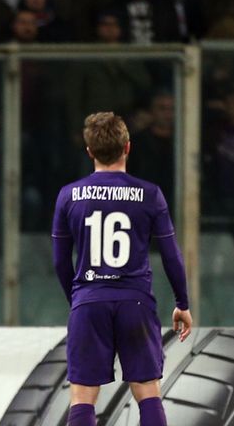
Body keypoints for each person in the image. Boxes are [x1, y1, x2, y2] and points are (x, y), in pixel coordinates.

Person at [51, 112, 193, 426]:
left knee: (83, 398)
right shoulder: (150, 194)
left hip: (89, 300)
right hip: (136, 302)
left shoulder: (68, 195)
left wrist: (77, 299)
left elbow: (61, 261)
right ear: (128, 147)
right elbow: (171, 256)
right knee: (148, 393)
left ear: (89, 151)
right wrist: (182, 303)